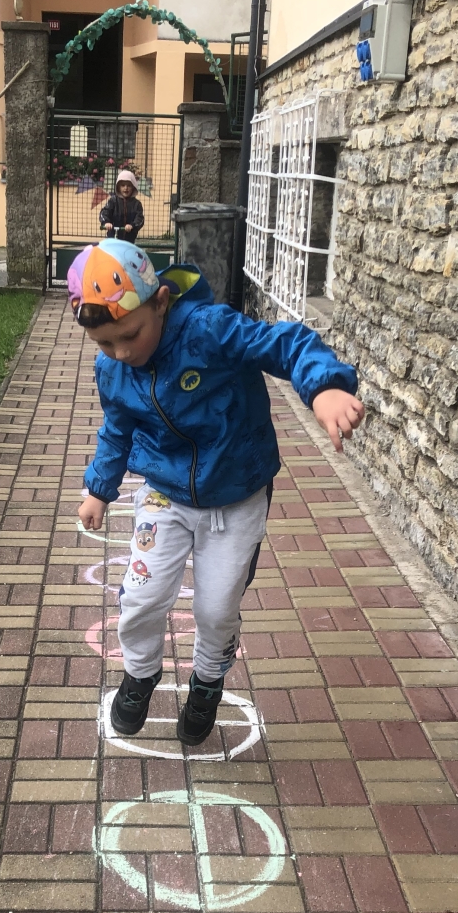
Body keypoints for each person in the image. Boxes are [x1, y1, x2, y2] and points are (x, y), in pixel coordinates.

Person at [71, 239, 364, 745]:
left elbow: (285, 343)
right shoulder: (114, 369)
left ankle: (207, 680)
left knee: (216, 608)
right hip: (164, 494)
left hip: (236, 493)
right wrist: (99, 487)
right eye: (104, 343)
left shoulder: (209, 329)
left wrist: (324, 387)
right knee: (141, 597)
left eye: (130, 335)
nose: (121, 353)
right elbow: (117, 429)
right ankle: (140, 673)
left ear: (161, 302)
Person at [98, 168, 145, 244]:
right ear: (118, 187)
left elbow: (140, 218)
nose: (126, 188)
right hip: (113, 238)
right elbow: (104, 212)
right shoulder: (113, 201)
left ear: (133, 187)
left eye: (129, 186)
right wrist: (106, 222)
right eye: (123, 185)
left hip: (129, 239)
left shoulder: (136, 204)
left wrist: (132, 225)